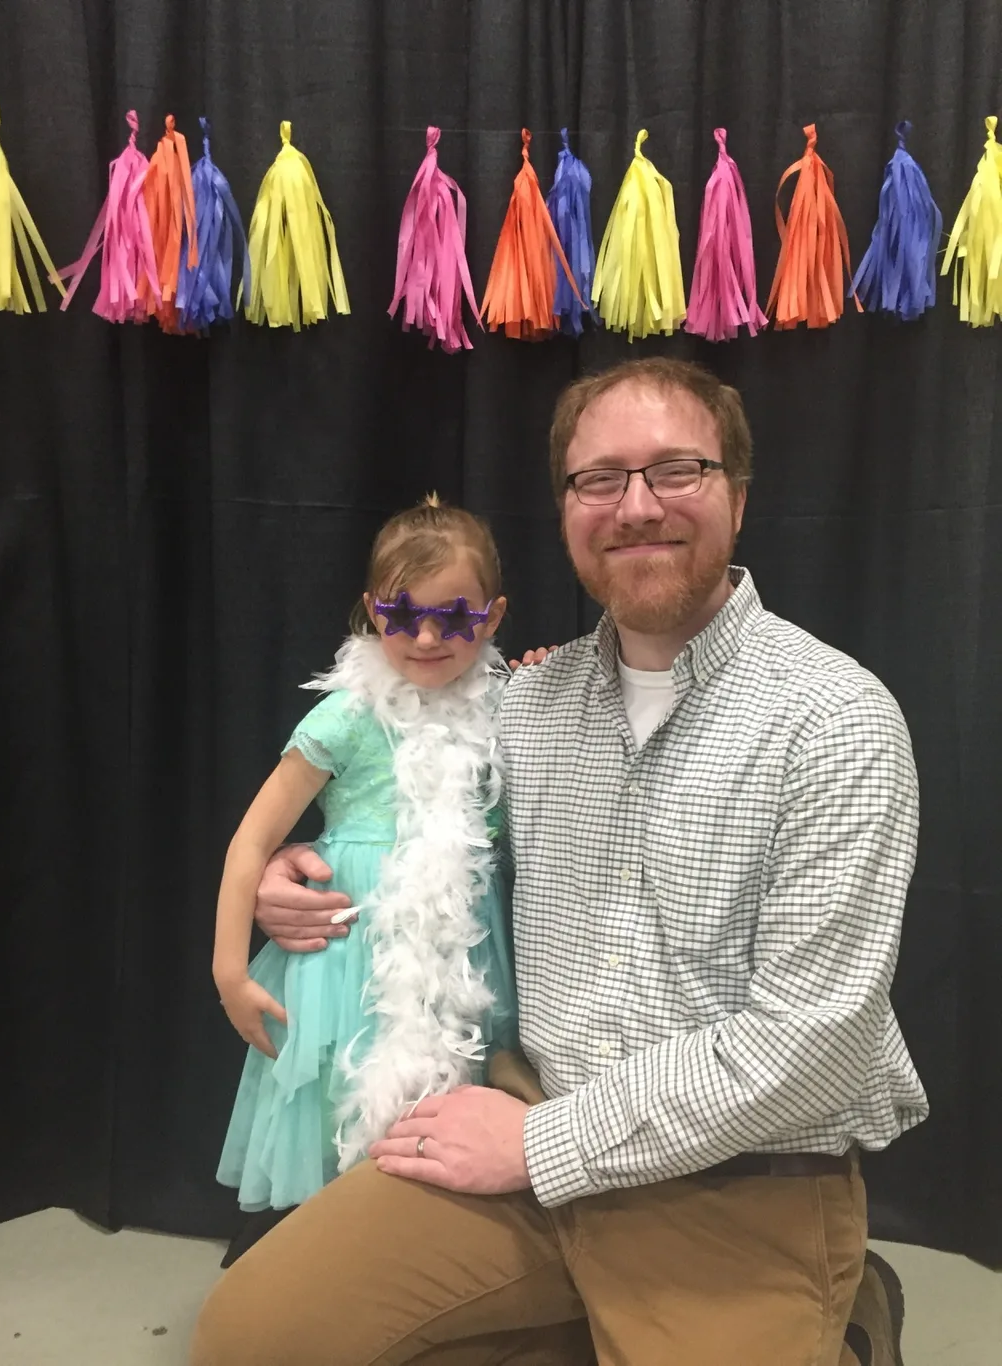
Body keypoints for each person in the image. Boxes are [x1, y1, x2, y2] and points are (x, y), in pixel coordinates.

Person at [192, 358, 927, 1366]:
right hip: (522, 1124)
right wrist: (296, 876)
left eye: (676, 470)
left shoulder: (833, 720)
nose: (636, 506)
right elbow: (420, 825)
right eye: (599, 479)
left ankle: (845, 1317)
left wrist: (542, 1145)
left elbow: (812, 1043)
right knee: (249, 1339)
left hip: (737, 1178)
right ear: (567, 509)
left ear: (739, 499)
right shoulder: (523, 709)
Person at [211, 495, 518, 1229]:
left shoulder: (508, 711)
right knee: (340, 1108)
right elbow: (251, 842)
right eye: (403, 614)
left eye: (455, 617)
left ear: (493, 618)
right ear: (373, 614)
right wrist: (229, 972)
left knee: (450, 1113)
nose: (426, 635)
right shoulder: (346, 717)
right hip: (348, 962)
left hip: (463, 955)